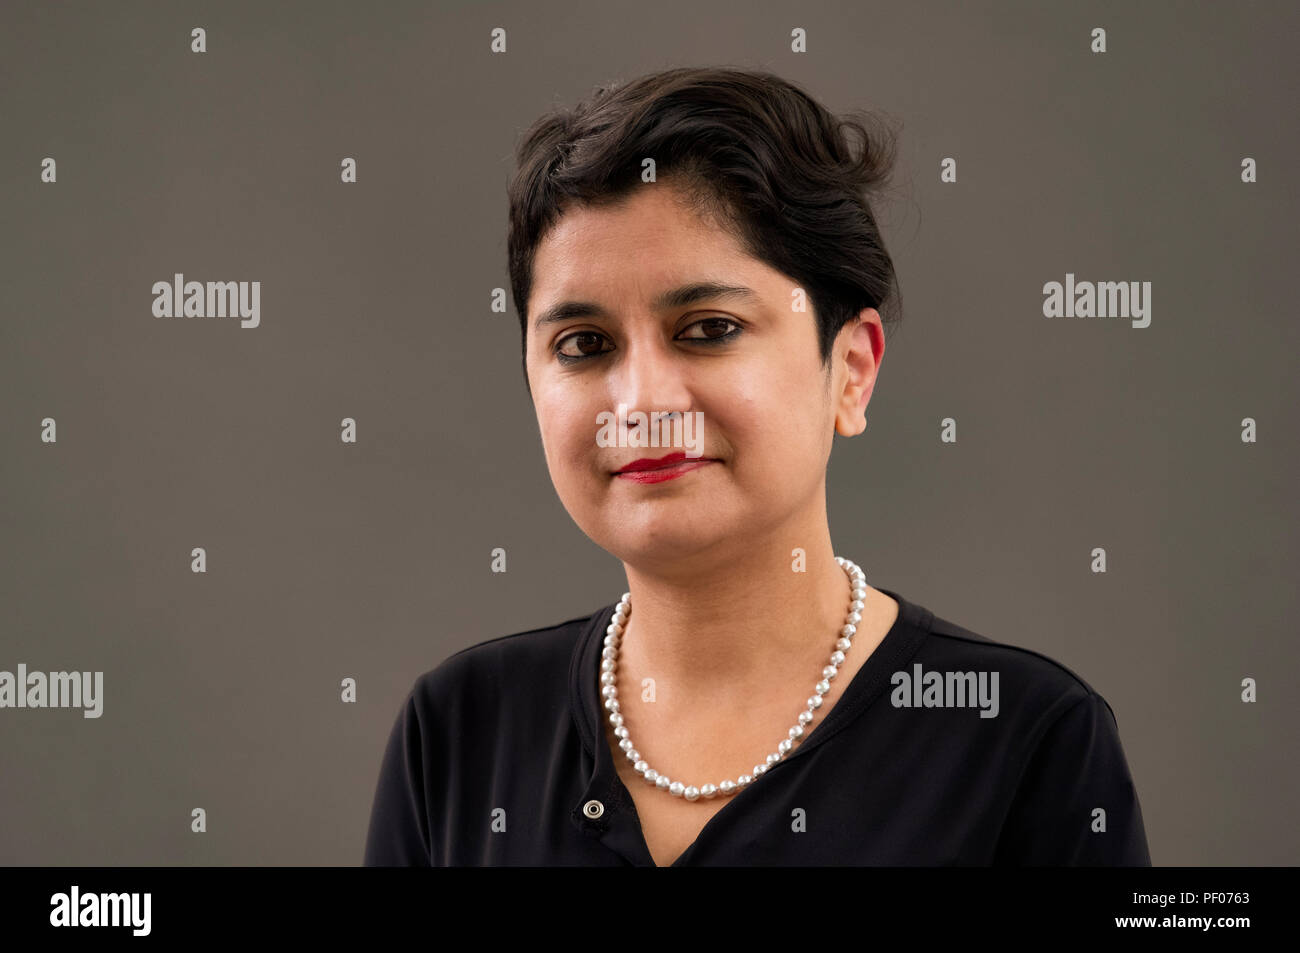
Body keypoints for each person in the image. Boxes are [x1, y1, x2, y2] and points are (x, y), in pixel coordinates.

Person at [363, 66, 1150, 866]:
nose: (640, 402)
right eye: (584, 345)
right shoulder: (460, 733)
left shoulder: (1024, 742)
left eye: (708, 329)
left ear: (850, 370)